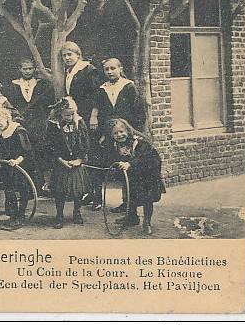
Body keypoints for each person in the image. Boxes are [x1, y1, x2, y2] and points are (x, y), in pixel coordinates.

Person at [87, 57, 146, 209]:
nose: (109, 72)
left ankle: (127, 203)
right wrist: (95, 119)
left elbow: (139, 112)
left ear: (120, 69)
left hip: (125, 134)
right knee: (99, 164)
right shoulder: (102, 89)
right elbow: (98, 110)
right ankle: (97, 199)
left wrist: (133, 133)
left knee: (126, 168)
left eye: (113, 68)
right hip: (108, 134)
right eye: (106, 69)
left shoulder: (129, 87)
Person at [100, 118, 166, 234]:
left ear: (127, 130)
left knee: (147, 199)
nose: (119, 135)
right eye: (115, 133)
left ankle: (147, 221)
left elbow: (144, 157)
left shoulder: (139, 141)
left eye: (121, 131)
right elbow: (114, 157)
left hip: (148, 173)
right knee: (129, 196)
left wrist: (129, 164)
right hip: (132, 174)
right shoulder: (116, 144)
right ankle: (132, 217)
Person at [5, 58, 55, 194]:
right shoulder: (13, 85)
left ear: (34, 69)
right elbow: (10, 104)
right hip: (21, 122)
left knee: (39, 151)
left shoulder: (42, 84)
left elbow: (48, 104)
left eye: (30, 68)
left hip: (38, 122)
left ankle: (41, 186)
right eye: (24, 69)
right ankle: (24, 186)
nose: (27, 71)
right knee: (23, 152)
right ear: (19, 69)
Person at [43, 97, 91, 229]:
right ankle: (59, 216)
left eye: (72, 114)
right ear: (60, 113)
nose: (70, 117)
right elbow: (49, 145)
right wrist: (60, 160)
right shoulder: (53, 125)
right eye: (66, 115)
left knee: (78, 191)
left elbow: (86, 142)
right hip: (61, 163)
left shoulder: (79, 122)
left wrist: (80, 160)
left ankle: (77, 212)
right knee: (60, 191)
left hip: (76, 163)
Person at [61, 41, 102, 120]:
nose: (67, 58)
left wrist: (94, 116)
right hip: (75, 112)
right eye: (64, 55)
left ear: (77, 55)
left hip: (88, 113)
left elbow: (97, 94)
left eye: (69, 54)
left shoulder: (88, 69)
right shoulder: (68, 71)